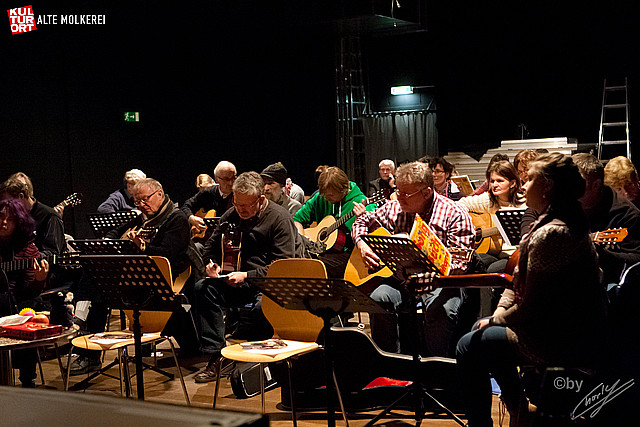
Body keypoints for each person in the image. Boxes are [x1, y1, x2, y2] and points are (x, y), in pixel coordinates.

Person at [456, 153, 607, 427]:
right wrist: (500, 311)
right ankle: (518, 408)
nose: (523, 187)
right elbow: (517, 282)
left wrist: (495, 319)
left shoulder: (554, 234)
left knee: (468, 345)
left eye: (529, 180)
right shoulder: (551, 222)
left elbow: (532, 305)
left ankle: (510, 410)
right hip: (548, 326)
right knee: (486, 333)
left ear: (547, 186)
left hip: (556, 337)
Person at [69, 178, 196, 374]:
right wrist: (107, 242)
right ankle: (84, 331)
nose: (141, 206)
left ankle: (87, 341)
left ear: (160, 194)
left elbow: (168, 254)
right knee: (94, 276)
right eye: (137, 202)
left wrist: (143, 246)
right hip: (139, 275)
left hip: (163, 278)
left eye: (145, 200)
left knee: (99, 291)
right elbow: (117, 230)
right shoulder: (143, 218)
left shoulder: (176, 218)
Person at [352, 161, 475, 355]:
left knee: (440, 310)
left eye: (405, 194)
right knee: (378, 298)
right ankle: (390, 366)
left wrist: (435, 259)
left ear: (426, 192)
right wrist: (362, 244)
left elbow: (460, 263)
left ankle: (437, 370)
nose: (398, 198)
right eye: (397, 191)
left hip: (439, 283)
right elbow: (362, 220)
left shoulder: (455, 213)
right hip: (401, 280)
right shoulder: (395, 207)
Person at [192, 172, 301, 383]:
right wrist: (211, 265)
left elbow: (283, 266)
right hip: (234, 280)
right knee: (201, 288)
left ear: (260, 200)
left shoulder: (279, 218)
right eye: (236, 203)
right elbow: (209, 248)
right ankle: (217, 356)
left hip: (266, 285)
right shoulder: (232, 214)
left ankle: (258, 362)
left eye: (246, 205)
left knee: (262, 308)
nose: (239, 209)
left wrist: (247, 275)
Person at [0, 199, 49, 387]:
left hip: (19, 305)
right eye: (0, 217)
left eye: (10, 220)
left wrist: (39, 279)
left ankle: (27, 380)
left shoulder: (29, 250)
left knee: (28, 312)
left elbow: (31, 292)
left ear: (19, 222)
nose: (4, 223)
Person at [572, 153, 640, 285]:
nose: (571, 191)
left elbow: (635, 260)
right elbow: (533, 210)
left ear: (597, 185)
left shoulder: (627, 215)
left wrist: (598, 252)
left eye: (578, 186)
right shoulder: (567, 200)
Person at [293, 166, 372, 278]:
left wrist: (363, 218)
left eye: (330, 195)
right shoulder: (320, 198)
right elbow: (297, 219)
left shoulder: (360, 202)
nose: (326, 198)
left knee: (315, 267)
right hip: (320, 252)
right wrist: (301, 242)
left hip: (347, 254)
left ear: (343, 190)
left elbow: (374, 230)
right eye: (324, 194)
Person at [0, 173, 66, 259]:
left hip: (46, 271)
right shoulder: (14, 215)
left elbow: (53, 252)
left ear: (21, 197)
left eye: (10, 202)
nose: (7, 206)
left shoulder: (49, 216)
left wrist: (31, 256)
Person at [182, 161, 236, 238]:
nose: (231, 183)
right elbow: (186, 206)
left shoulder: (239, 195)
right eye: (226, 179)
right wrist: (191, 218)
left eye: (233, 178)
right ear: (216, 179)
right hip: (208, 239)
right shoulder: (208, 193)